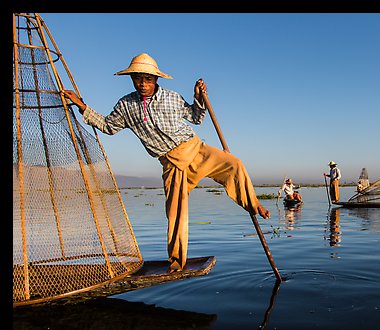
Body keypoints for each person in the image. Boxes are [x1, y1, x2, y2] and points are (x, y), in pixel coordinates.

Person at [62, 53, 270, 273]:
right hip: (171, 163)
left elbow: (196, 117)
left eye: (147, 79)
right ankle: (177, 263)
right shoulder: (126, 105)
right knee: (175, 214)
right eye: (138, 79)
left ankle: (253, 203)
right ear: (132, 79)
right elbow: (108, 126)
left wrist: (198, 98)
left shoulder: (171, 97)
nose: (143, 84)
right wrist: (81, 106)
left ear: (156, 80)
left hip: (195, 149)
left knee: (234, 164)